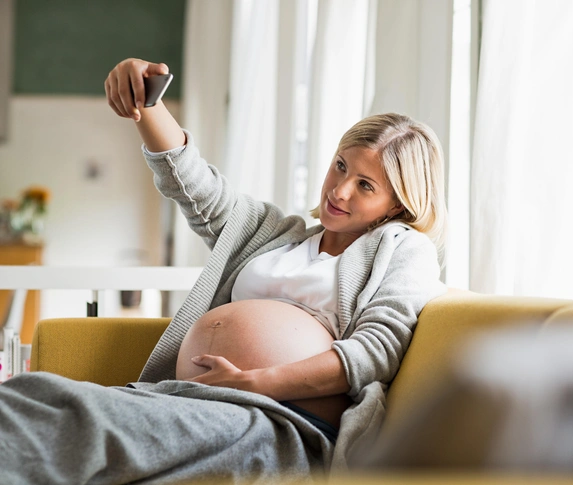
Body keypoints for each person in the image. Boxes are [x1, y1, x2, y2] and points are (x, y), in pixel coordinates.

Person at [0, 58, 447, 484]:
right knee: (28, 395)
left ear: (399, 205)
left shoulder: (404, 249)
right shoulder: (277, 234)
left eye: (365, 185)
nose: (340, 188)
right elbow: (195, 186)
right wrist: (146, 104)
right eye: (341, 166)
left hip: (282, 422)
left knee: (79, 421)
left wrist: (257, 381)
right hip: (190, 401)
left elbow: (377, 350)